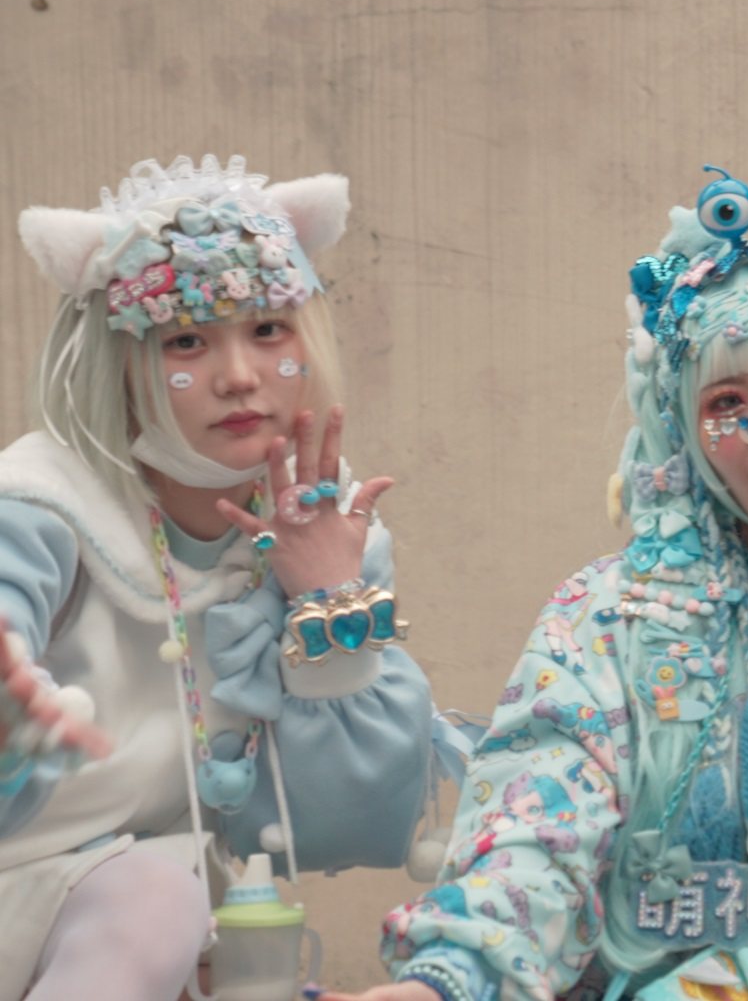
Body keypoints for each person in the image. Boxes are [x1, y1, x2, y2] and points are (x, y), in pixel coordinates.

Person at [339, 163, 748, 1001]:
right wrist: (446, 981)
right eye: (728, 401)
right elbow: (538, 831)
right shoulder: (612, 622)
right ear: (685, 433)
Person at [0, 154, 434, 1001]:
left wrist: (326, 605)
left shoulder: (329, 533)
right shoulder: (45, 504)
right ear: (118, 362)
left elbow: (338, 827)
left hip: (142, 920)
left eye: (269, 330)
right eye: (186, 340)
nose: (239, 375)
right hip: (52, 889)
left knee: (178, 903)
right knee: (160, 896)